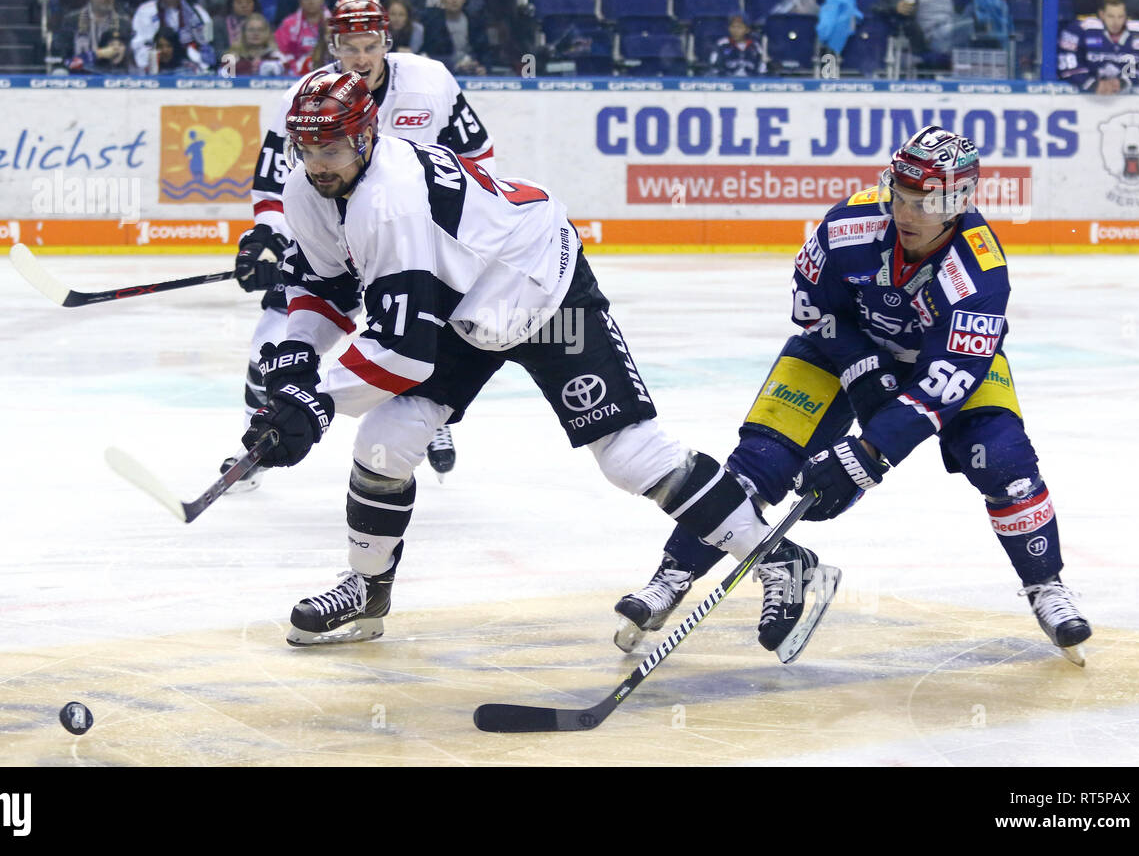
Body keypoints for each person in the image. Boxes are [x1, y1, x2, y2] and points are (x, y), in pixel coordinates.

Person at [237, 69, 826, 649]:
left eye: (333, 146)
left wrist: (313, 402)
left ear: (365, 136)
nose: (319, 163)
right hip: (460, 302)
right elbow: (324, 285)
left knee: (630, 455)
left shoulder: (390, 204)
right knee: (386, 440)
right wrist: (295, 362)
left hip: (541, 287)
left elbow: (402, 354)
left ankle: (783, 561)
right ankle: (367, 589)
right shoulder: (308, 187)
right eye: (307, 148)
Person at [618, 125, 1093, 665]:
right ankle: (672, 575)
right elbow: (808, 305)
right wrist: (861, 366)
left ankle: (1045, 584)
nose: (906, 213)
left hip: (942, 365)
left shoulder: (979, 272)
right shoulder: (851, 223)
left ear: (958, 202)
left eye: (925, 203)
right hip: (837, 348)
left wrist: (868, 455)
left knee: (1004, 462)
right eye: (901, 195)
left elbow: (943, 385)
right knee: (760, 462)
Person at [228, 0, 496, 492]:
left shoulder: (431, 81)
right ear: (333, 46)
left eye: (370, 45)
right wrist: (266, 240)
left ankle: (427, 415)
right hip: (335, 236)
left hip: (415, 238)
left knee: (420, 331)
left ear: (386, 43)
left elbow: (478, 155)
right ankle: (260, 437)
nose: (361, 57)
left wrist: (459, 232)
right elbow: (274, 187)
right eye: (349, 47)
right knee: (274, 335)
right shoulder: (305, 99)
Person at [1058, 0, 1139, 94]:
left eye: (1120, 16)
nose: (1116, 22)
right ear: (1101, 14)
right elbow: (1067, 61)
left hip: (1127, 97)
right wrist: (1091, 83)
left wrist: (1125, 82)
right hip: (1086, 96)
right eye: (1111, 16)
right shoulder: (1080, 29)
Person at [130, 0, 214, 74]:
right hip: (154, 67)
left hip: (189, 69)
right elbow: (138, 46)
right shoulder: (144, 11)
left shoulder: (199, 12)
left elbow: (208, 43)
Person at [53, 0, 133, 72]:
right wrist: (98, 54)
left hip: (111, 73)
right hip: (77, 72)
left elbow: (128, 58)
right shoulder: (72, 20)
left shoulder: (123, 23)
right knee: (59, 72)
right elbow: (64, 58)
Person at [419, 0, 490, 74]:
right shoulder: (432, 23)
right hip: (441, 72)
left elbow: (485, 51)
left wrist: (484, 67)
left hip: (471, 72)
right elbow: (429, 54)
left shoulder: (475, 22)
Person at [275, 0, 332, 73]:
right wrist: (296, 68)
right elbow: (282, 51)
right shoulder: (289, 24)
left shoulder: (332, 22)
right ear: (300, 1)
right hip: (295, 72)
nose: (311, 1)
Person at [212, 0, 263, 65]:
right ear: (231, 3)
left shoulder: (262, 23)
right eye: (239, 2)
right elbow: (218, 52)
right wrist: (239, 57)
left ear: (254, 3)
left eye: (248, 2)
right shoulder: (219, 23)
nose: (244, 5)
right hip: (228, 66)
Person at [225, 14, 289, 76]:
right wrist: (245, 67)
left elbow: (288, 72)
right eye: (251, 30)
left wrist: (276, 68)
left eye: (260, 30)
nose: (256, 33)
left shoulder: (277, 56)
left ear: (267, 33)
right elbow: (222, 75)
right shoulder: (233, 56)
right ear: (244, 33)